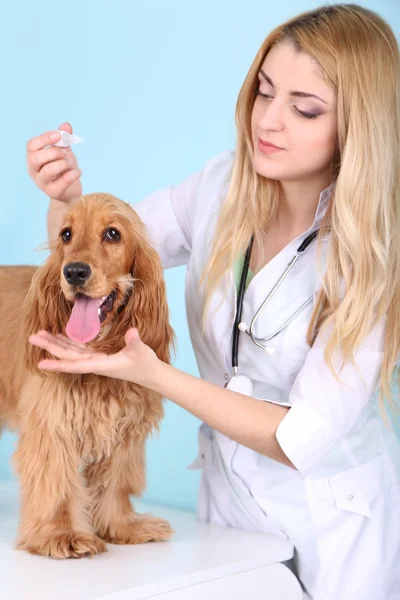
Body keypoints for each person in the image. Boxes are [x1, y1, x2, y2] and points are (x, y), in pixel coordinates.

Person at [26, 4, 400, 599]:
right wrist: (67, 196)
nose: (269, 122)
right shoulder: (220, 185)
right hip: (227, 513)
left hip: (338, 529)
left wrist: (154, 375)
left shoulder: (374, 258)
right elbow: (100, 257)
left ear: (358, 127)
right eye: (264, 92)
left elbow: (298, 437)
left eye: (304, 109)